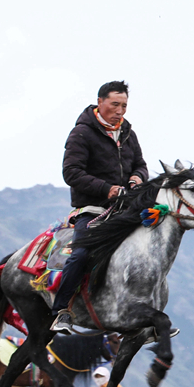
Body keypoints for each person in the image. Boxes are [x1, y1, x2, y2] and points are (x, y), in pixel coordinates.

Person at [50, 81, 148, 333]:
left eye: (124, 105)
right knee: (81, 255)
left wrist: (137, 178)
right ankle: (60, 311)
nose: (120, 111)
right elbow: (71, 172)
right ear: (100, 102)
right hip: (92, 210)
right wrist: (108, 189)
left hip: (126, 210)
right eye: (115, 104)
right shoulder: (81, 133)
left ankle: (144, 315)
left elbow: (140, 164)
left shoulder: (128, 133)